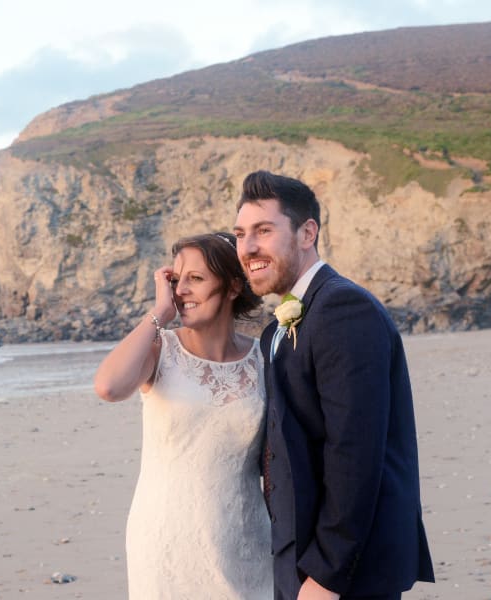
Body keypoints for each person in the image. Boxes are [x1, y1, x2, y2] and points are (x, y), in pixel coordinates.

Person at [233, 171, 435, 600]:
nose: (248, 247)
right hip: (303, 555)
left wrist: (327, 575)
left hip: (346, 570)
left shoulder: (343, 308)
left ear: (308, 233)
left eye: (264, 231)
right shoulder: (280, 327)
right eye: (241, 234)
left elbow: (355, 453)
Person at [93, 232, 273, 599]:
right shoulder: (161, 350)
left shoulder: (264, 360)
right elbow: (109, 387)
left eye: (196, 278)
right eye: (177, 280)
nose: (181, 291)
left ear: (233, 286)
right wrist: (159, 314)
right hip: (166, 544)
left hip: (246, 541)